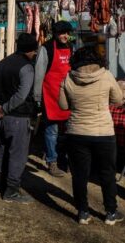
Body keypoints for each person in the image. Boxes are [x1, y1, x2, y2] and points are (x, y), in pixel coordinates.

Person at [58, 47, 125, 225]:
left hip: (76, 132)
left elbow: (63, 105)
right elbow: (118, 100)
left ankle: (82, 212)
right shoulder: (106, 75)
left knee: (79, 175)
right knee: (107, 174)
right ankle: (111, 212)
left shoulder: (69, 78)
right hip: (103, 132)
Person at [0, 33, 37, 203]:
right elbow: (22, 95)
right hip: (17, 116)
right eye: (34, 51)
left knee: (3, 150)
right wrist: (4, 108)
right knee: (18, 154)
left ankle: (3, 185)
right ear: (31, 50)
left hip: (2, 118)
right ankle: (11, 191)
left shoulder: (3, 63)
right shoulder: (27, 67)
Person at [34, 20, 73, 177]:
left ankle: (68, 160)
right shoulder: (46, 48)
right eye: (63, 33)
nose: (65, 36)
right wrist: (37, 97)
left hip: (68, 94)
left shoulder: (71, 47)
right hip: (50, 95)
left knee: (71, 130)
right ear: (55, 34)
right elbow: (39, 74)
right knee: (52, 131)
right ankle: (52, 161)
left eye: (67, 33)